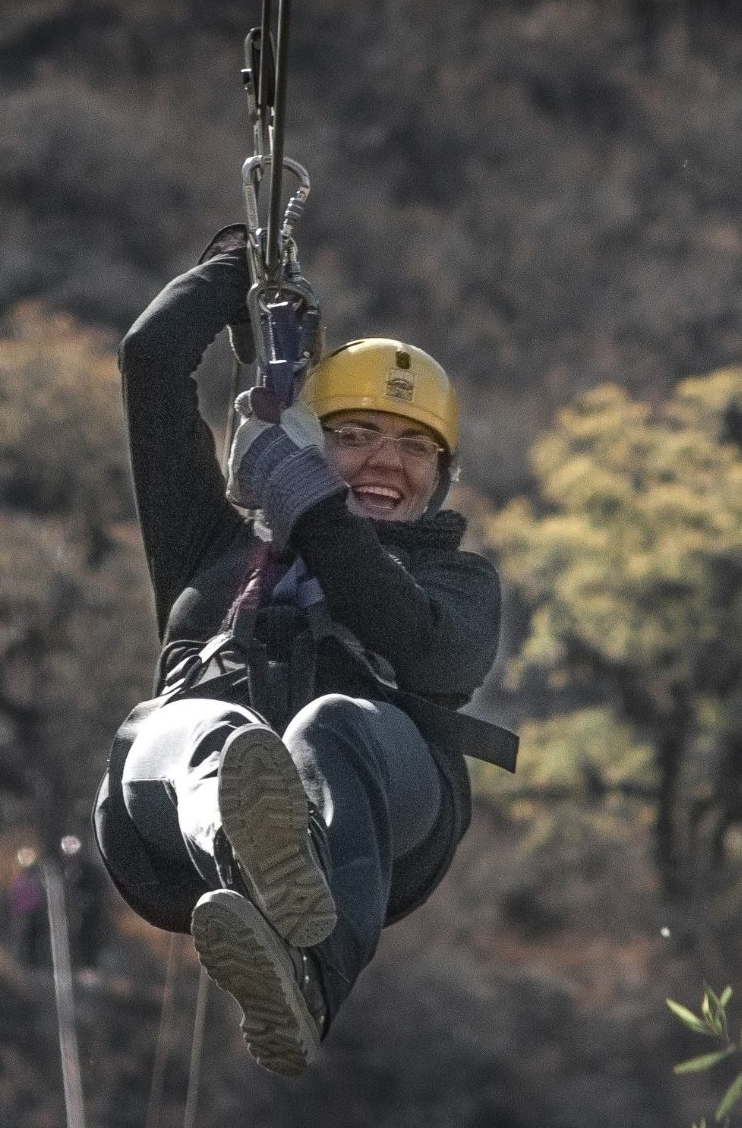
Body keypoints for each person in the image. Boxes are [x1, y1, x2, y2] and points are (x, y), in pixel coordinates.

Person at [93, 224, 507, 1076]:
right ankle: (248, 849)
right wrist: (235, 272)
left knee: (332, 723)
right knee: (194, 726)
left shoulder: (459, 582)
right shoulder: (211, 547)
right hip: (177, 830)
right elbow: (152, 360)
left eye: (415, 447)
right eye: (355, 436)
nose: (386, 463)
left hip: (377, 817)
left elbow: (427, 652)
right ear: (316, 441)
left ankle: (309, 974)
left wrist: (304, 498)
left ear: (443, 477)